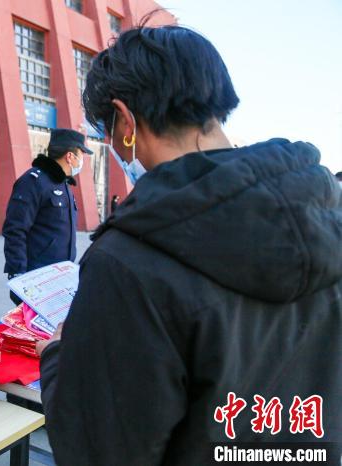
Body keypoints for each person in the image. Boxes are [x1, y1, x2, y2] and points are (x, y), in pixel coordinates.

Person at [39, 24, 342, 465]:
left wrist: (56, 356)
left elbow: (97, 448)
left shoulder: (128, 260)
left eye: (107, 130)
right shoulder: (324, 216)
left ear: (125, 120)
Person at [2, 128, 92, 303]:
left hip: (61, 276)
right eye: (81, 155)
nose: (82, 160)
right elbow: (15, 230)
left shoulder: (63, 184)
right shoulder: (33, 182)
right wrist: (18, 274)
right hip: (36, 279)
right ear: (70, 156)